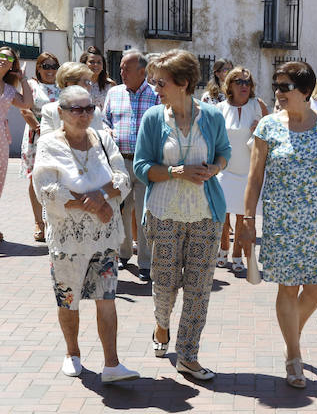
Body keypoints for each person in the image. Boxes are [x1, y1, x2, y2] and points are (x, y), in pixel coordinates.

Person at [239, 61, 317, 388]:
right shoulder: (268, 127)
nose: (278, 92)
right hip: (281, 223)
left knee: (316, 290)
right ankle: (293, 354)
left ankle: (291, 329)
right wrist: (248, 221)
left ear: (305, 92)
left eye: (285, 86)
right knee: (288, 288)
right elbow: (255, 177)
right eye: (276, 86)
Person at [134, 49, 231, 381]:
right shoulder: (153, 118)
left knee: (199, 287)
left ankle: (188, 354)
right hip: (164, 214)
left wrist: (214, 168)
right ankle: (162, 324)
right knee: (165, 284)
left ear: (184, 82)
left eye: (160, 82)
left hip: (206, 214)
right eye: (153, 81)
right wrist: (176, 171)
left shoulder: (213, 116)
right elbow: (141, 166)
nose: (155, 88)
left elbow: (224, 153)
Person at [31, 85, 139, 382]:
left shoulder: (103, 139)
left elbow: (122, 178)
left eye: (89, 108)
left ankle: (112, 364)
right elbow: (47, 190)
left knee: (107, 298)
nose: (84, 115)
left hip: (104, 237)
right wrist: (90, 203)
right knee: (69, 299)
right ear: (62, 112)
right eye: (76, 110)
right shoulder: (49, 143)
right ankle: (72, 353)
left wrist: (101, 197)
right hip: (67, 238)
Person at [102, 51, 158, 279]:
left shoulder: (155, 95)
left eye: (126, 68)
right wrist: (107, 130)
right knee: (122, 210)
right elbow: (105, 120)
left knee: (145, 214)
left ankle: (145, 262)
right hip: (120, 162)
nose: (121, 72)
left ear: (141, 72)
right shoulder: (114, 93)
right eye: (121, 68)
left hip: (145, 164)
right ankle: (124, 254)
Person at [214, 66, 268, 273]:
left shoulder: (257, 105)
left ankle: (237, 254)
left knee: (242, 216)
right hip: (224, 169)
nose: (244, 86)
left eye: (248, 82)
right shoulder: (219, 108)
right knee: (222, 214)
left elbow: (271, 133)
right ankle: (223, 248)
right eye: (239, 82)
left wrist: (260, 129)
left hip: (248, 170)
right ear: (230, 85)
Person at [21, 52, 60, 242]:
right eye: (46, 66)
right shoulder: (32, 85)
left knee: (58, 177)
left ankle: (54, 220)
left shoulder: (63, 86)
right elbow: (24, 108)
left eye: (54, 66)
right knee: (35, 178)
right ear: (38, 68)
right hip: (36, 136)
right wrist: (39, 128)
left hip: (59, 139)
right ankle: (39, 222)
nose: (50, 70)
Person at [0, 47, 35, 243]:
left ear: (13, 64)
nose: (3, 59)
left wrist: (22, 79)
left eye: (8, 58)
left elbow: (27, 103)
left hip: (1, 141)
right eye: (1, 55)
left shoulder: (10, 89)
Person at [41, 63, 103, 133]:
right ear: (70, 84)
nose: (90, 86)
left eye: (90, 82)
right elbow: (46, 141)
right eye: (86, 82)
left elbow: (98, 140)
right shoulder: (50, 110)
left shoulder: (94, 111)